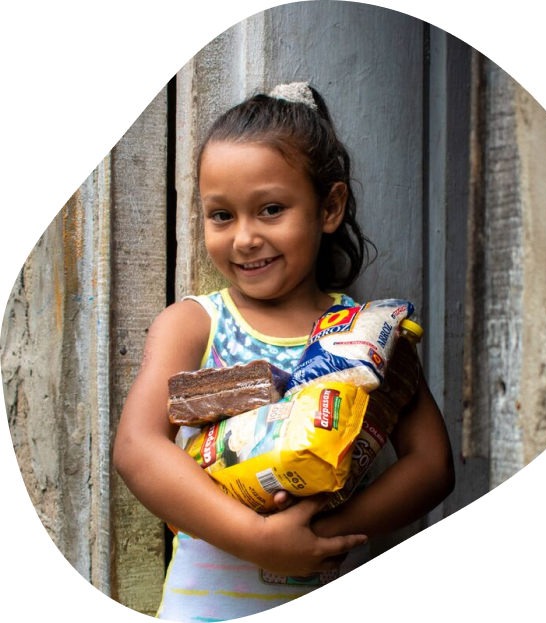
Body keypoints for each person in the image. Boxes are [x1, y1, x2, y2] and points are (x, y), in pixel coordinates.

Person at [113, 82, 456, 622]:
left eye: (270, 209)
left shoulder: (369, 335)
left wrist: (318, 534)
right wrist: (258, 538)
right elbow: (137, 448)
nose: (245, 237)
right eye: (221, 215)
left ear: (330, 207)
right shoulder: (195, 324)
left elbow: (432, 465)